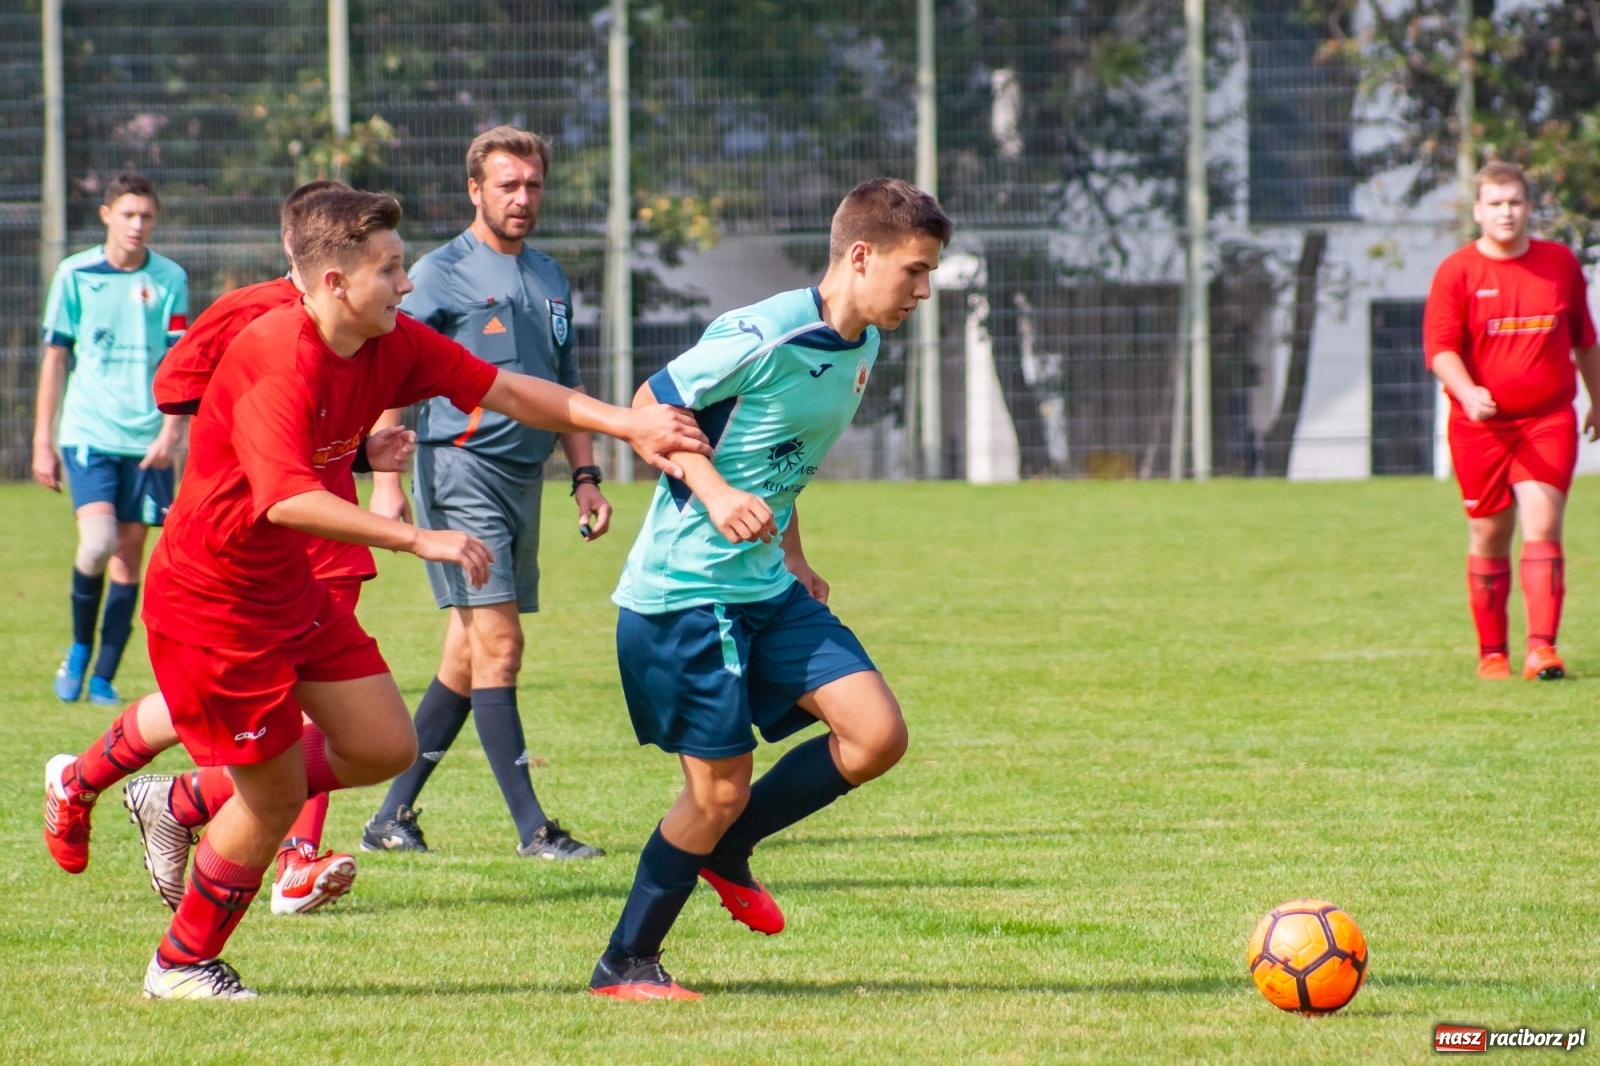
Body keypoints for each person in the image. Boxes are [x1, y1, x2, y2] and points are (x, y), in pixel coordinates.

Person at [42, 187, 709, 999]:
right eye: (390, 268)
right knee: (277, 791)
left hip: (288, 584)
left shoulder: (391, 340)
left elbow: (505, 389)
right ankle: (180, 962)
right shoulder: (275, 350)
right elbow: (283, 495)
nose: (405, 283)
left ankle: (177, 799)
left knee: (383, 745)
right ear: (332, 281)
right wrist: (417, 535)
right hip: (215, 604)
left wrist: (628, 427)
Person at [588, 178, 949, 1000]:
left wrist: (795, 551)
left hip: (765, 586)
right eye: (914, 272)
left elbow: (778, 460)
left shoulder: (864, 343)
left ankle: (724, 845)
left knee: (875, 736)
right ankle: (625, 963)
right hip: (686, 594)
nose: (923, 292)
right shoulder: (761, 332)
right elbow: (651, 405)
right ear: (861, 257)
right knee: (716, 789)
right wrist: (714, 495)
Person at [42, 181, 407, 918]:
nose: (399, 280)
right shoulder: (252, 313)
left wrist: (368, 460)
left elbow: (364, 395)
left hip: (326, 540)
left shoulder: (370, 311)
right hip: (249, 546)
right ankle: (110, 787)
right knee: (216, 705)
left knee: (324, 712)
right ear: (301, 250)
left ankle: (279, 852)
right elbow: (176, 386)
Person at [363, 127, 608, 861]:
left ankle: (390, 819)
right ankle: (535, 830)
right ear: (475, 190)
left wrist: (586, 477)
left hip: (524, 481)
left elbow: (565, 390)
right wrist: (386, 481)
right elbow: (390, 366)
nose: (523, 198)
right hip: (459, 471)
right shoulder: (441, 273)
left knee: (467, 659)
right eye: (508, 185)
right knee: (501, 647)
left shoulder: (553, 275)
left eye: (533, 184)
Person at [1423, 160, 1600, 681]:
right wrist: (1468, 391)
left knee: (1543, 524)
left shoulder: (1559, 264)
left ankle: (1541, 650)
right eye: (1496, 204)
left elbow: (1584, 340)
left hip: (1547, 420)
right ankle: (1492, 654)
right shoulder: (1457, 272)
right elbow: (1439, 349)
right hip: (1480, 428)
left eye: (1515, 202)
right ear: (1478, 211)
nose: (1506, 212)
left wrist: (1598, 398)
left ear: (1529, 207)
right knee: (1489, 535)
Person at [33, 173, 187, 705]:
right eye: (128, 214)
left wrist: (171, 431)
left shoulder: (169, 278)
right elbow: (55, 359)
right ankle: (78, 647)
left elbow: (179, 362)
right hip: (89, 433)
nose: (138, 225)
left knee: (128, 558)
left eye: (146, 215)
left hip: (147, 441)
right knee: (96, 544)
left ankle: (102, 676)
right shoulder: (74, 274)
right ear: (106, 215)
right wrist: (41, 442)